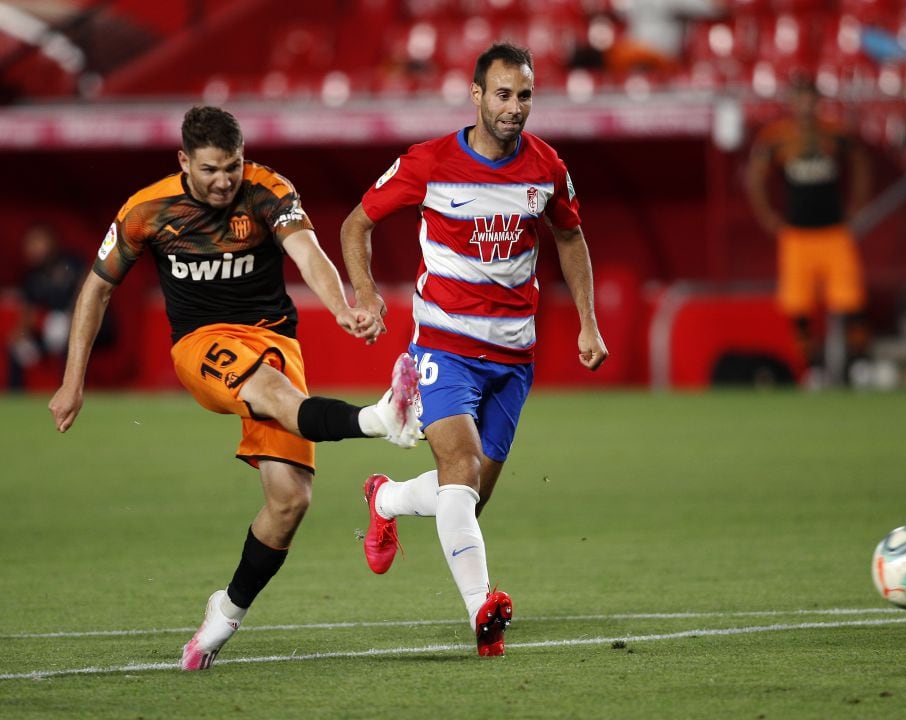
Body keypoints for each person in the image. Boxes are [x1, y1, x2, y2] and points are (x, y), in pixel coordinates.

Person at [47, 105, 422, 671]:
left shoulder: (268, 190)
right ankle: (381, 420)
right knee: (271, 390)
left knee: (290, 500)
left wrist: (343, 306)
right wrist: (73, 381)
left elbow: (307, 252)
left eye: (233, 166)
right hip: (202, 344)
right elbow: (96, 290)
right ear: (184, 162)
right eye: (211, 170)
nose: (224, 180)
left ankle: (222, 617)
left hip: (273, 340)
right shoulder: (146, 211)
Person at [340, 43, 608, 657]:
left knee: (466, 497)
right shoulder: (429, 161)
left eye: (526, 96)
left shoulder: (547, 168)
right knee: (458, 468)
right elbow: (357, 223)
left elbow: (570, 237)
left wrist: (587, 323)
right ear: (477, 95)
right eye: (505, 95)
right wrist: (366, 294)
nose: (515, 108)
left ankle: (384, 497)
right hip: (443, 344)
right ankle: (482, 611)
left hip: (514, 358)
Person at [745, 76, 872, 386]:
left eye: (810, 99)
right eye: (799, 99)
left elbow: (861, 164)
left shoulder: (835, 133)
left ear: (818, 101)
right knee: (798, 306)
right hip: (797, 235)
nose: (805, 106)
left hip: (834, 231)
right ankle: (813, 367)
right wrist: (768, 217)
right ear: (790, 102)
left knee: (850, 301)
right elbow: (755, 177)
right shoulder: (777, 137)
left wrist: (857, 205)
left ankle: (858, 365)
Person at [6, 223, 93, 390]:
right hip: (51, 328)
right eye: (30, 244)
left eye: (38, 242)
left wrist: (70, 321)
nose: (33, 248)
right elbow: (28, 312)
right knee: (16, 347)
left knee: (67, 337)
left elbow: (88, 295)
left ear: (52, 241)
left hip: (83, 323)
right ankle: (15, 398)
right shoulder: (31, 276)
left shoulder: (73, 263)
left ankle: (70, 392)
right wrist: (21, 336)